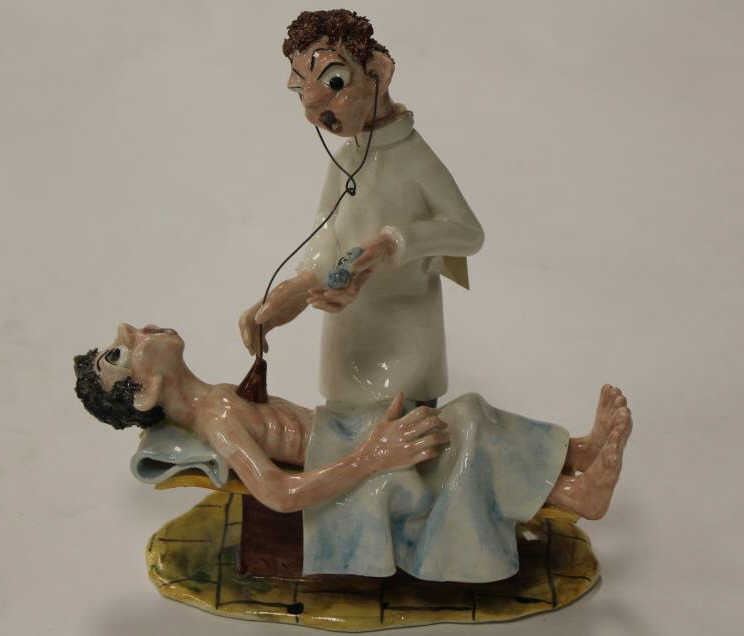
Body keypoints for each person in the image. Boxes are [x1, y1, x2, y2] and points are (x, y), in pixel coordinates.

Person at [75, 323, 632, 526]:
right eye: (120, 353)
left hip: (342, 428)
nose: (131, 329)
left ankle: (576, 452)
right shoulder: (216, 421)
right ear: (145, 391)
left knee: (468, 414)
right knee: (462, 426)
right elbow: (280, 494)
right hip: (347, 451)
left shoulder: (217, 399)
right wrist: (374, 457)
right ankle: (574, 495)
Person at [239, 10, 484, 406]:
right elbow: (328, 235)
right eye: (301, 92)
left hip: (406, 332)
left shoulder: (414, 158)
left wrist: (392, 243)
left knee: (403, 424)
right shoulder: (345, 161)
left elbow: (468, 232)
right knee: (341, 427)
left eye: (335, 81)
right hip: (349, 336)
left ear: (378, 72)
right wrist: (295, 291)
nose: (313, 107)